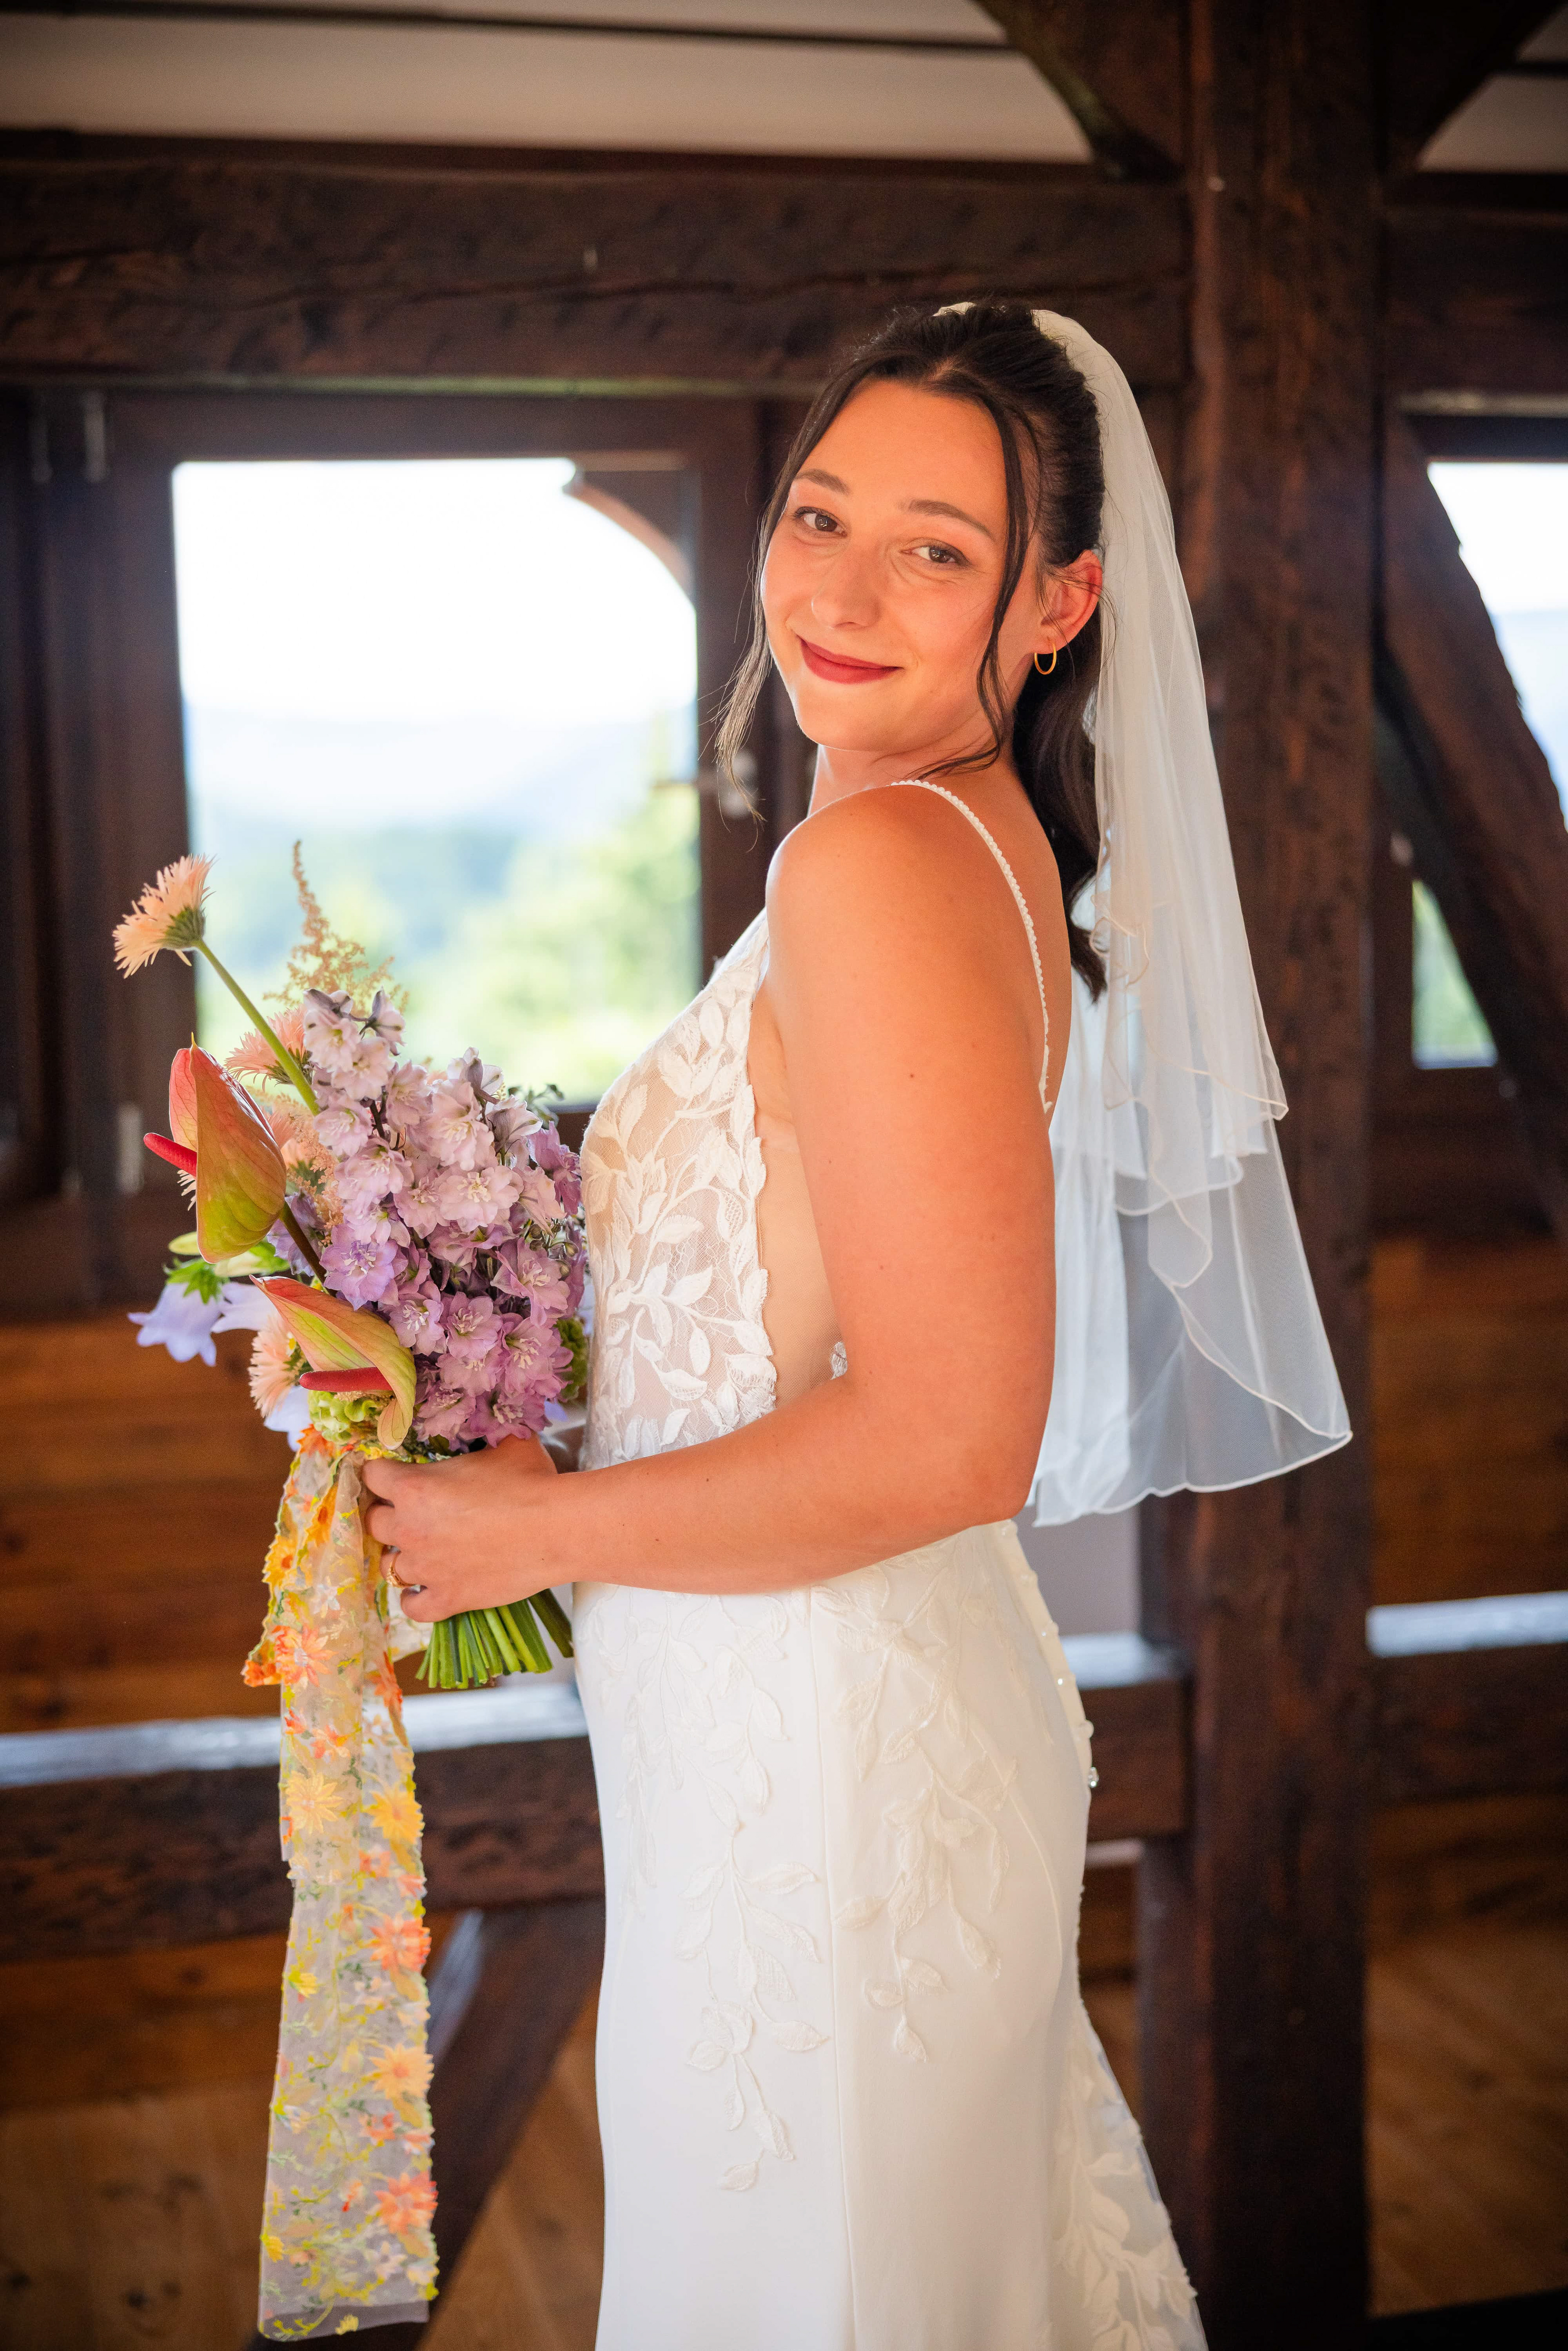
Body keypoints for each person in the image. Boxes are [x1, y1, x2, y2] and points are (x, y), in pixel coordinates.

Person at [365, 299, 1347, 2349]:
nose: (843, 585)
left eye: (938, 549)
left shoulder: (882, 861)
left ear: (1064, 602)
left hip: (819, 1768)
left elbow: (946, 1437)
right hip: (803, 1722)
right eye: (821, 515)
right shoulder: (965, 847)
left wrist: (518, 1535)